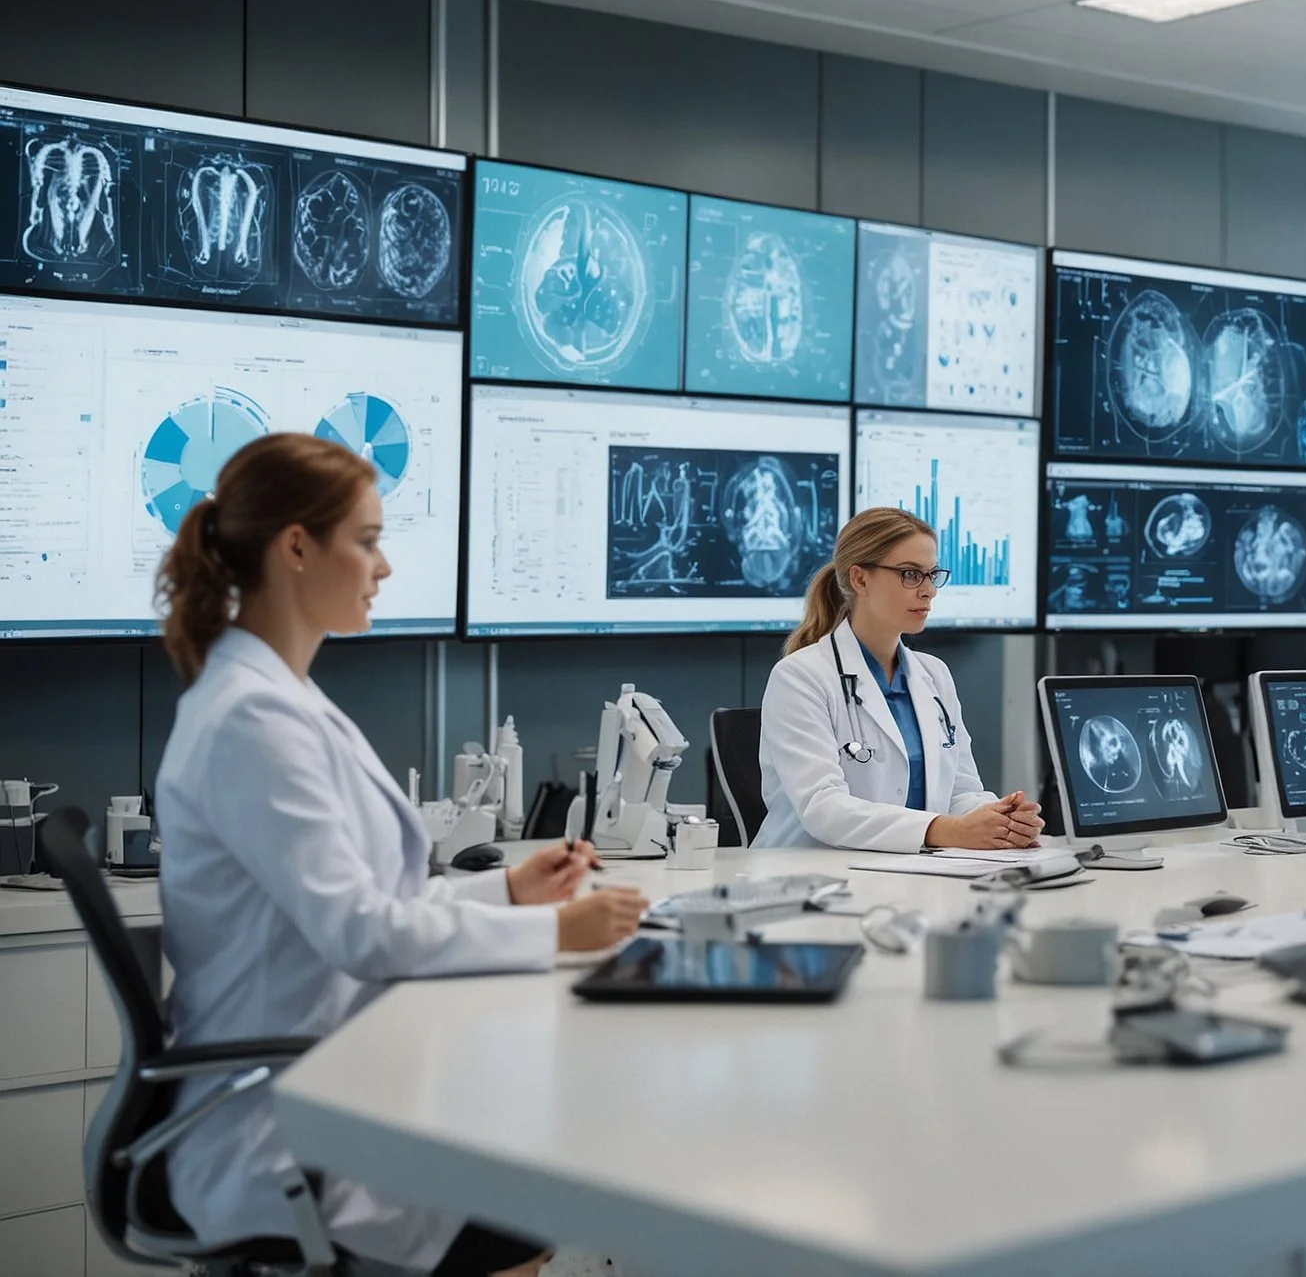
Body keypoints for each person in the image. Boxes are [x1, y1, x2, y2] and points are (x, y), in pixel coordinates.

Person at [151, 433, 647, 1277]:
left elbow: (380, 898)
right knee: (523, 1203)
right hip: (284, 1126)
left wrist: (511, 896)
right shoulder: (251, 718)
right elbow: (364, 933)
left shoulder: (281, 697)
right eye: (368, 542)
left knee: (526, 1178)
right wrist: (558, 935)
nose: (382, 568)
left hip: (331, 1074)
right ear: (297, 547)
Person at [754, 507, 1039, 851]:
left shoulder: (934, 675)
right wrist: (948, 830)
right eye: (910, 574)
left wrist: (1001, 820)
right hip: (812, 880)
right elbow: (823, 808)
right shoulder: (800, 677)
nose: (928, 591)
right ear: (860, 580)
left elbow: (961, 792)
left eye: (932, 575)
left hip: (909, 873)